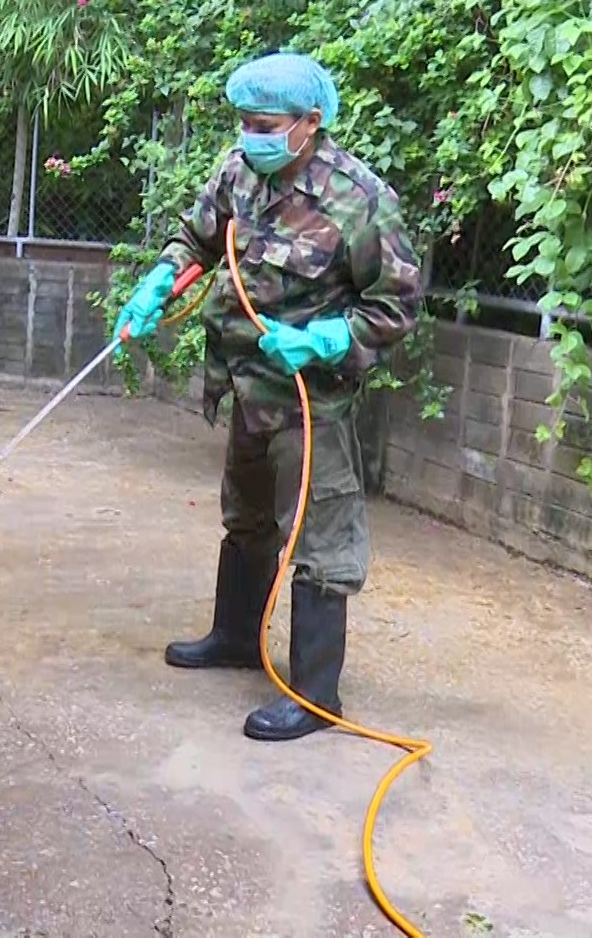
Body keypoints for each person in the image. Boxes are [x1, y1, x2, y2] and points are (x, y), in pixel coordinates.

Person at [115, 51, 422, 742]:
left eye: (265, 123)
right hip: (245, 385)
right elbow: (196, 234)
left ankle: (315, 697)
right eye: (244, 121)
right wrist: (162, 279)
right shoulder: (239, 170)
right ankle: (235, 638)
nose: (250, 134)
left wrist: (327, 339)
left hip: (312, 403)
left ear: (310, 123)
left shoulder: (359, 199)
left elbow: (397, 305)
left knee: (319, 544)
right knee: (245, 517)